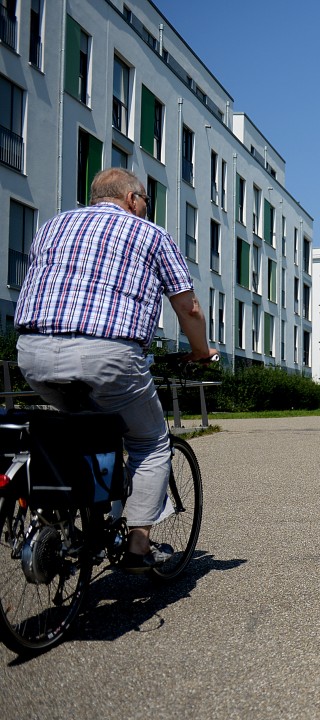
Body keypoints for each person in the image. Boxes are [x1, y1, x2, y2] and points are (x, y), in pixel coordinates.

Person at [15, 168, 218, 574]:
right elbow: (189, 307)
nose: (146, 208)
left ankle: (64, 526)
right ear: (131, 198)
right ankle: (138, 548)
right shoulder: (150, 235)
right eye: (145, 200)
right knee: (151, 444)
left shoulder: (52, 226)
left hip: (33, 352)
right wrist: (200, 350)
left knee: (78, 434)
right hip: (107, 355)